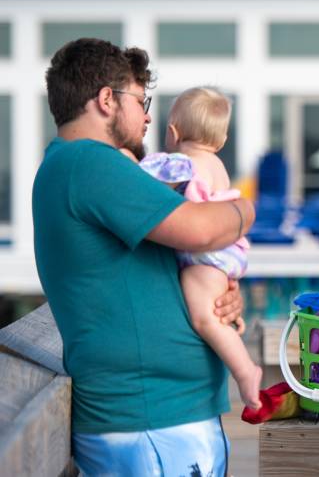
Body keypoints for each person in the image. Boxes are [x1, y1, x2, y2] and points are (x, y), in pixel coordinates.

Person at [32, 38, 255, 476]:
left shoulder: (92, 166)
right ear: (106, 100)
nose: (148, 115)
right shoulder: (88, 163)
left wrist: (222, 298)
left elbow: (181, 258)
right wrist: (245, 208)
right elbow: (204, 228)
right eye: (141, 100)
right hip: (149, 424)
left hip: (161, 420)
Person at [138, 87, 262, 411]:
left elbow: (143, 179)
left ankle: (246, 372)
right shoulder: (218, 165)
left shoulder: (182, 164)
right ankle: (236, 345)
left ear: (173, 131)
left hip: (205, 256)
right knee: (215, 311)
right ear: (220, 141)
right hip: (226, 251)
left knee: (204, 317)